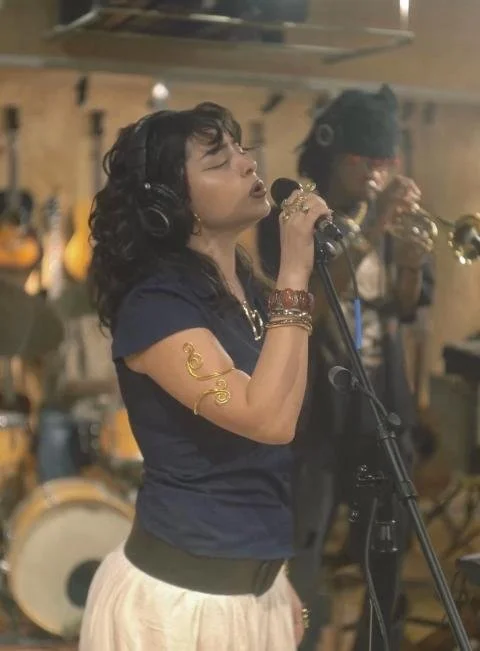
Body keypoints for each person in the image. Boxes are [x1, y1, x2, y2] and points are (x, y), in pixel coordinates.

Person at [79, 101, 333, 651]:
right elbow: (267, 421)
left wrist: (273, 578)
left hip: (256, 587)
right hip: (178, 607)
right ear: (175, 203)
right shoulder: (157, 306)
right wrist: (295, 268)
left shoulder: (254, 294)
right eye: (219, 161)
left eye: (242, 149)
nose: (248, 163)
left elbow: (281, 439)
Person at [257, 84, 435, 650]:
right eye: (366, 160)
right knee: (300, 554)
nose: (378, 173)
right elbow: (306, 305)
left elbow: (402, 308)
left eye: (386, 161)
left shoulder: (395, 219)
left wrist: (411, 264)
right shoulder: (292, 217)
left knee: (386, 553)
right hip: (314, 412)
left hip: (381, 409)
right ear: (335, 156)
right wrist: (372, 227)